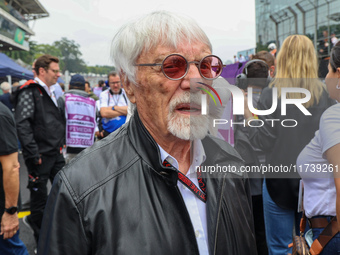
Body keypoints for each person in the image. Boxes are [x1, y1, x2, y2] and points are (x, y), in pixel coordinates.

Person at [38, 11, 257, 255]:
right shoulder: (80, 187)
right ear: (130, 84)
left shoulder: (232, 163)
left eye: (206, 65)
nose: (195, 81)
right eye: (172, 66)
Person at [244, 35, 334, 255]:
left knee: (279, 248)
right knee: (318, 246)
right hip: (318, 185)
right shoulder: (326, 95)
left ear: (282, 59)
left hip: (279, 183)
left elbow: (262, 142)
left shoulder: (270, 94)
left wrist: (250, 118)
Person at [12, 54, 65, 246]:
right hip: (40, 156)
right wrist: (34, 153)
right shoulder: (30, 91)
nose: (58, 74)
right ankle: (41, 241)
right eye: (55, 71)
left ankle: (56, 234)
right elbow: (23, 124)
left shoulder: (50, 91)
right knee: (39, 201)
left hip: (55, 152)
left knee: (64, 192)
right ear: (42, 71)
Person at [297, 42, 340, 254]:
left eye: (330, 70)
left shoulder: (334, 116)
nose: (326, 78)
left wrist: (320, 243)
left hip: (331, 234)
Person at [234, 59, 269, 255]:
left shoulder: (239, 99)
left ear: (245, 79)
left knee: (253, 225)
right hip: (271, 170)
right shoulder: (274, 99)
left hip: (248, 172)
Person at [0, 102, 29, 255]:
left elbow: (12, 168)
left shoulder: (1, 115)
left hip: (2, 213)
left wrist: (10, 212)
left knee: (12, 250)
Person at [57, 74, 97, 164]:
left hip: (68, 147)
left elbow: (57, 123)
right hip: (87, 147)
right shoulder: (93, 103)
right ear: (84, 87)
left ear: (69, 86)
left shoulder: (63, 99)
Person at [98, 71, 128, 138]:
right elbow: (104, 113)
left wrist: (114, 108)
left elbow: (131, 111)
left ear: (121, 82)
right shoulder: (104, 94)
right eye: (113, 83)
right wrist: (124, 111)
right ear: (108, 83)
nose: (115, 85)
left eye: (117, 82)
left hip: (125, 134)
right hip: (108, 134)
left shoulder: (127, 93)